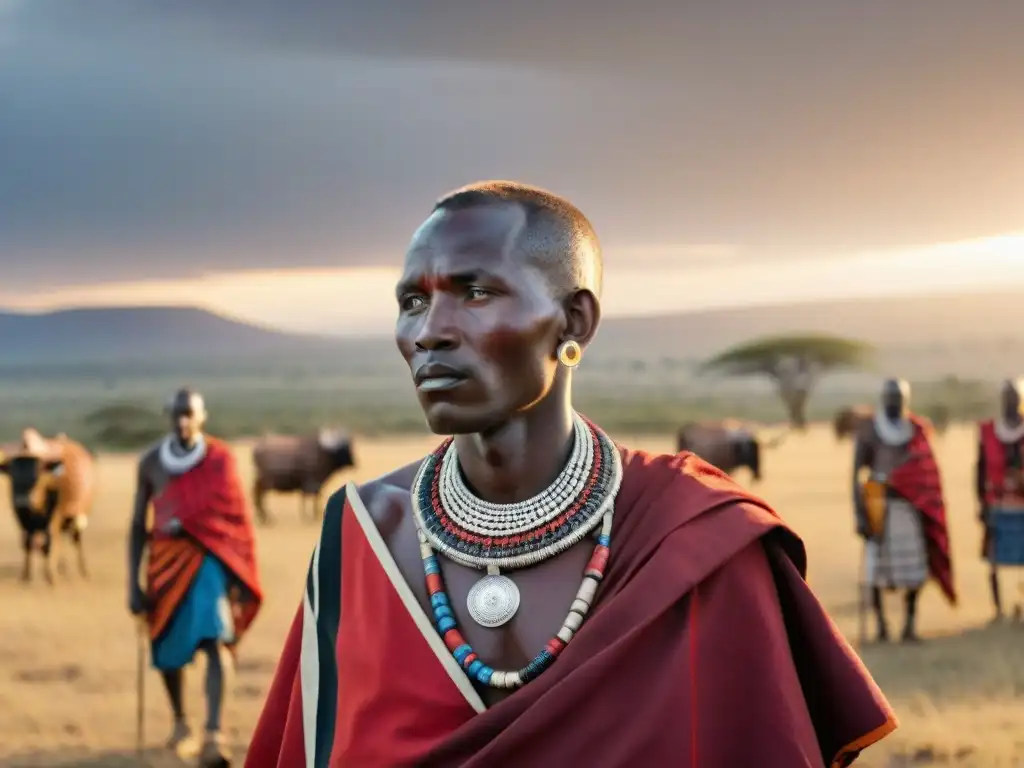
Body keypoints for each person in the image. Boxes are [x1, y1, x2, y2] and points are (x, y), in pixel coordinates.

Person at [246, 181, 896, 767]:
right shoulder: (359, 538)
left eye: (474, 292)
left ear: (573, 322)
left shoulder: (697, 542)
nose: (430, 332)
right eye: (413, 301)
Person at [128, 388, 263, 766]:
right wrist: (132, 583)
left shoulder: (219, 459)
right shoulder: (151, 462)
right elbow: (139, 524)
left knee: (215, 639)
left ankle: (214, 734)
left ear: (202, 417)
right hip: (164, 562)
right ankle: (181, 723)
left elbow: (236, 520)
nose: (183, 421)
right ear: (168, 416)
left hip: (209, 562)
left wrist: (237, 571)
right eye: (177, 414)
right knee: (167, 649)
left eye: (190, 414)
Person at [852, 378, 956, 643]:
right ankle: (882, 627)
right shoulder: (870, 430)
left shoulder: (916, 430)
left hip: (911, 509)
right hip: (879, 507)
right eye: (890, 397)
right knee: (876, 570)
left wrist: (925, 503)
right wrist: (860, 514)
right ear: (883, 398)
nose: (894, 402)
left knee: (914, 569)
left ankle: (909, 624)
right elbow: (855, 474)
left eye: (899, 398)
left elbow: (927, 472)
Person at [975, 377, 1024, 622]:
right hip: (997, 504)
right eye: (1007, 398)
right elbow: (980, 469)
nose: (1011, 402)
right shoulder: (987, 432)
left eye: (1014, 398)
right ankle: (998, 609)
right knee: (993, 559)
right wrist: (981, 504)